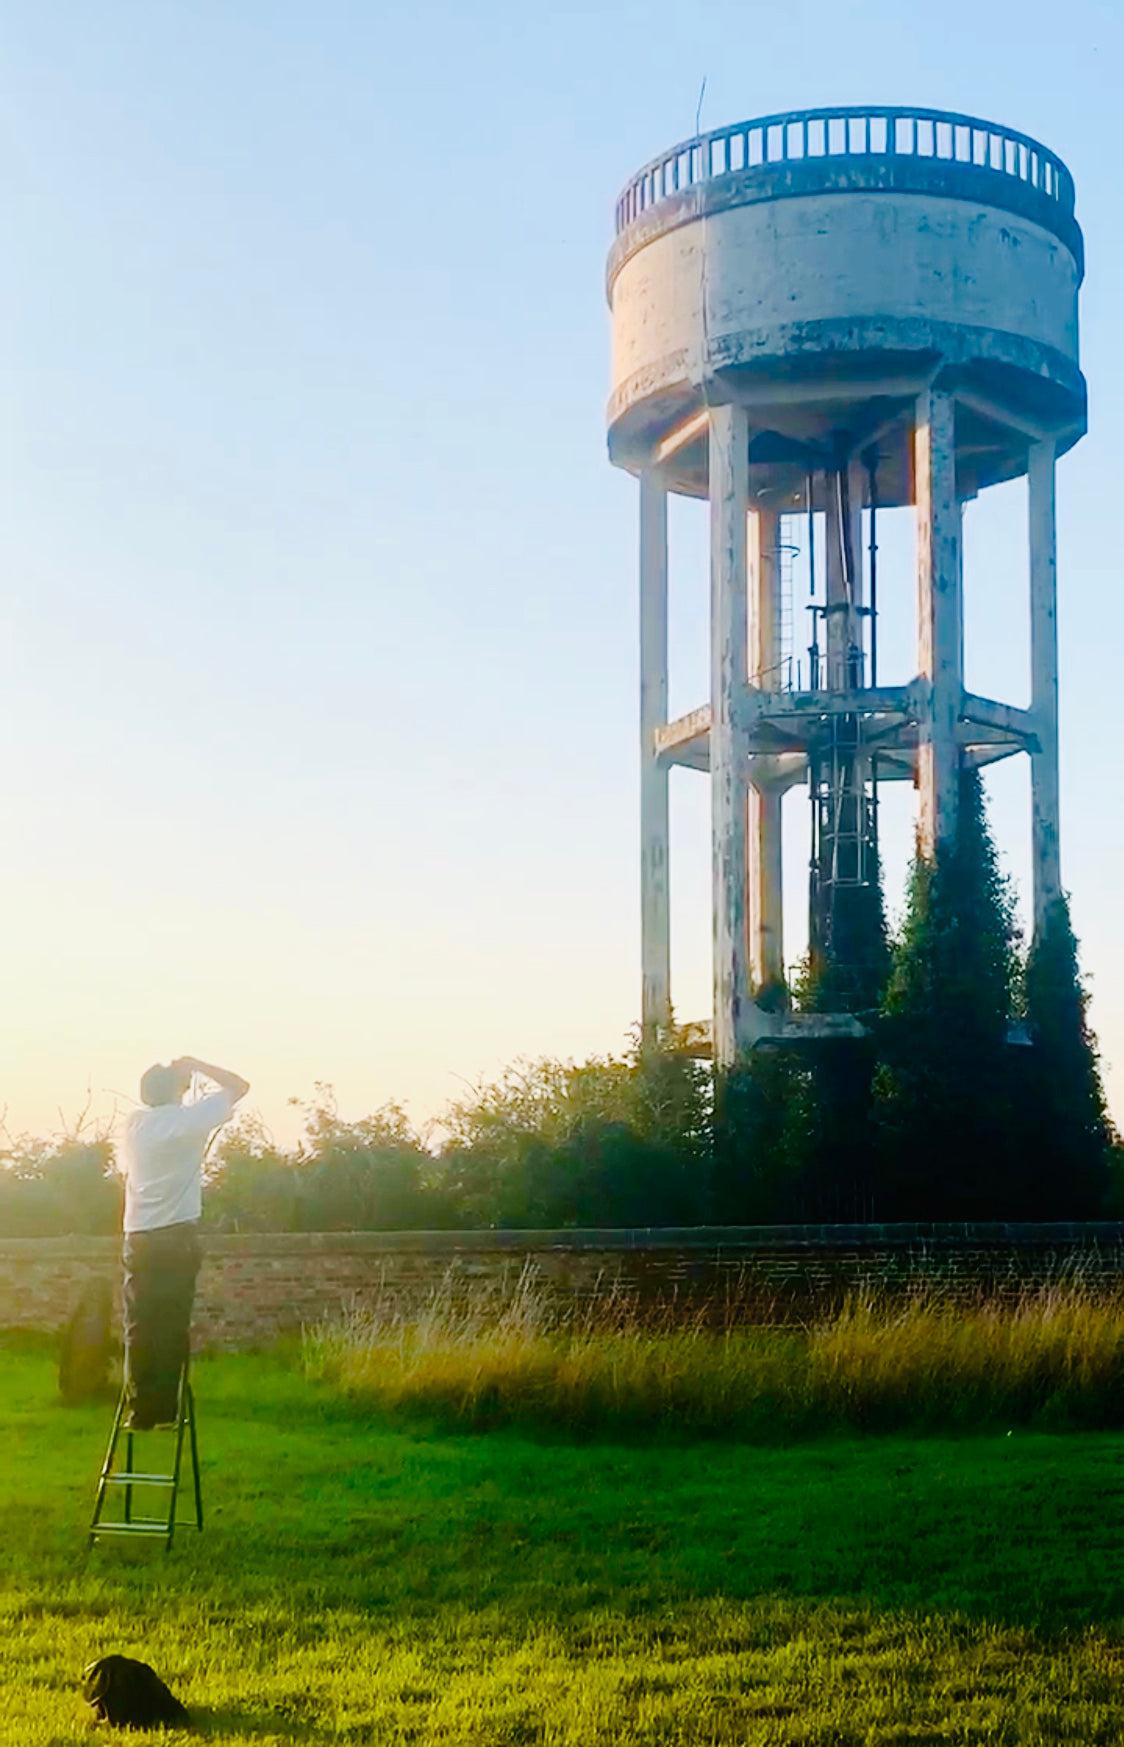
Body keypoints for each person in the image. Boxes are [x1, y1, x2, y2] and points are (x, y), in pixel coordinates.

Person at [117, 1055, 249, 1429]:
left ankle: (141, 1410)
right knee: (171, 1323)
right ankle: (165, 1412)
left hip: (138, 1236)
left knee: (139, 1325)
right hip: (176, 1235)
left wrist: (177, 1079)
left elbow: (167, 1102)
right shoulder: (187, 1121)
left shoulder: (134, 1124)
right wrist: (195, 1065)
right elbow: (239, 1086)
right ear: (179, 1090)